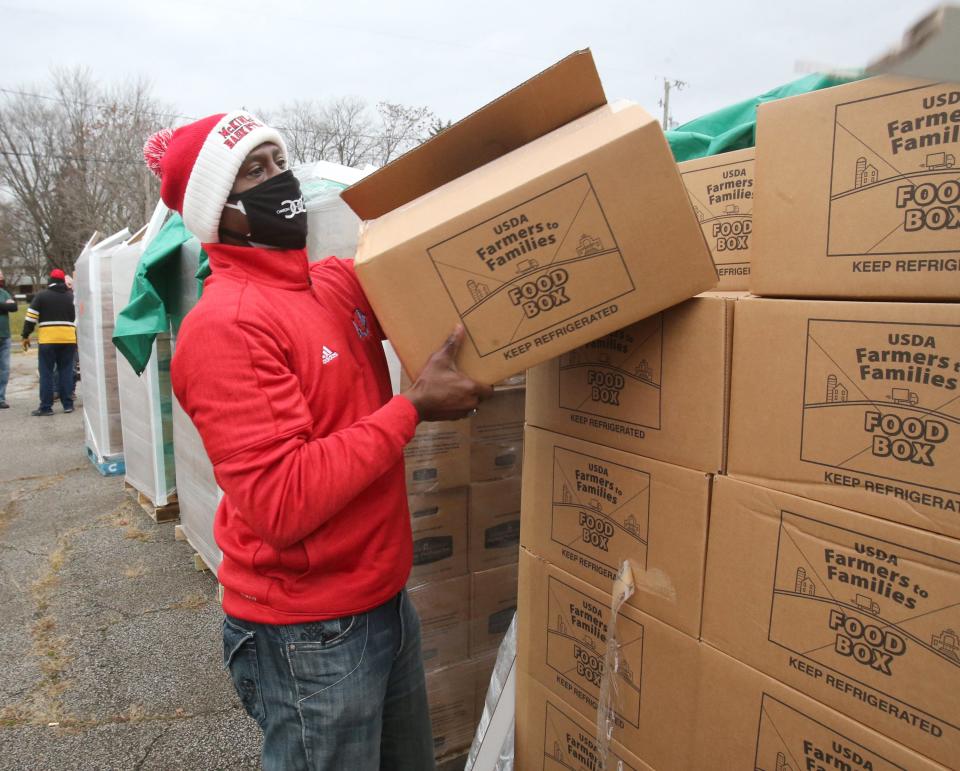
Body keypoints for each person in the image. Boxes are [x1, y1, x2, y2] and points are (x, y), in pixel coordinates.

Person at [145, 111, 492, 771]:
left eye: (279, 159)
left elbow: (431, 269)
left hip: (382, 601)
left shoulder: (331, 286)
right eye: (253, 169)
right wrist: (410, 409)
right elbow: (283, 501)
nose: (279, 177)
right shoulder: (228, 327)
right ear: (220, 211)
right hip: (309, 635)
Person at [21, 268, 76, 416]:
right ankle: (68, 405)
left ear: (50, 280)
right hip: (69, 339)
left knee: (46, 373)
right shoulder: (72, 297)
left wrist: (25, 335)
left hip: (48, 340)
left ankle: (46, 407)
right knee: (66, 372)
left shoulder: (41, 296)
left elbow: (30, 319)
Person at [0, 270, 18, 409]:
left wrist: (7, 305)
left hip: (5, 336)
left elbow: (14, 307)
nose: (2, 277)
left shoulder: (4, 292)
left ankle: (1, 398)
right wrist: (5, 305)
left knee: (5, 369)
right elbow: (8, 306)